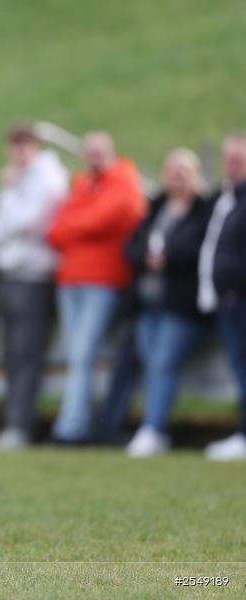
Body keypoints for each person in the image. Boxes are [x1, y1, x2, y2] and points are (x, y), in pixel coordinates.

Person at [46, 132, 146, 443]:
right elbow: (55, 232)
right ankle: (75, 423)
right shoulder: (82, 185)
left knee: (82, 354)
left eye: (100, 151)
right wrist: (81, 223)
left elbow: (103, 218)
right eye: (89, 151)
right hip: (70, 281)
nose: (94, 157)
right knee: (78, 355)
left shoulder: (124, 180)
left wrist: (78, 223)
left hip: (102, 282)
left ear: (112, 152)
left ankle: (71, 427)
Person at [0, 125, 69, 450]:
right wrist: (11, 225)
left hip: (35, 276)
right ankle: (13, 424)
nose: (18, 153)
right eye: (14, 146)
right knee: (12, 354)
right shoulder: (14, 180)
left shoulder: (48, 177)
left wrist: (12, 218)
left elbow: (31, 222)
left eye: (24, 146)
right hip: (10, 274)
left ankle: (21, 426)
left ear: (35, 147)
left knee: (26, 353)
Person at [124, 149, 211, 457]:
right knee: (154, 365)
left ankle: (153, 428)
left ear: (195, 175)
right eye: (172, 170)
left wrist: (168, 259)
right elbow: (131, 245)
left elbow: (202, 249)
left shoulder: (204, 211)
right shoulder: (156, 207)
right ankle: (154, 428)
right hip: (150, 302)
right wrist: (145, 259)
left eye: (183, 171)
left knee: (162, 362)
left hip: (183, 305)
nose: (177, 176)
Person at [199, 133, 246, 461]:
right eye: (227, 159)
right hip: (227, 299)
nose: (231, 166)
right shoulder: (226, 197)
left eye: (238, 160)